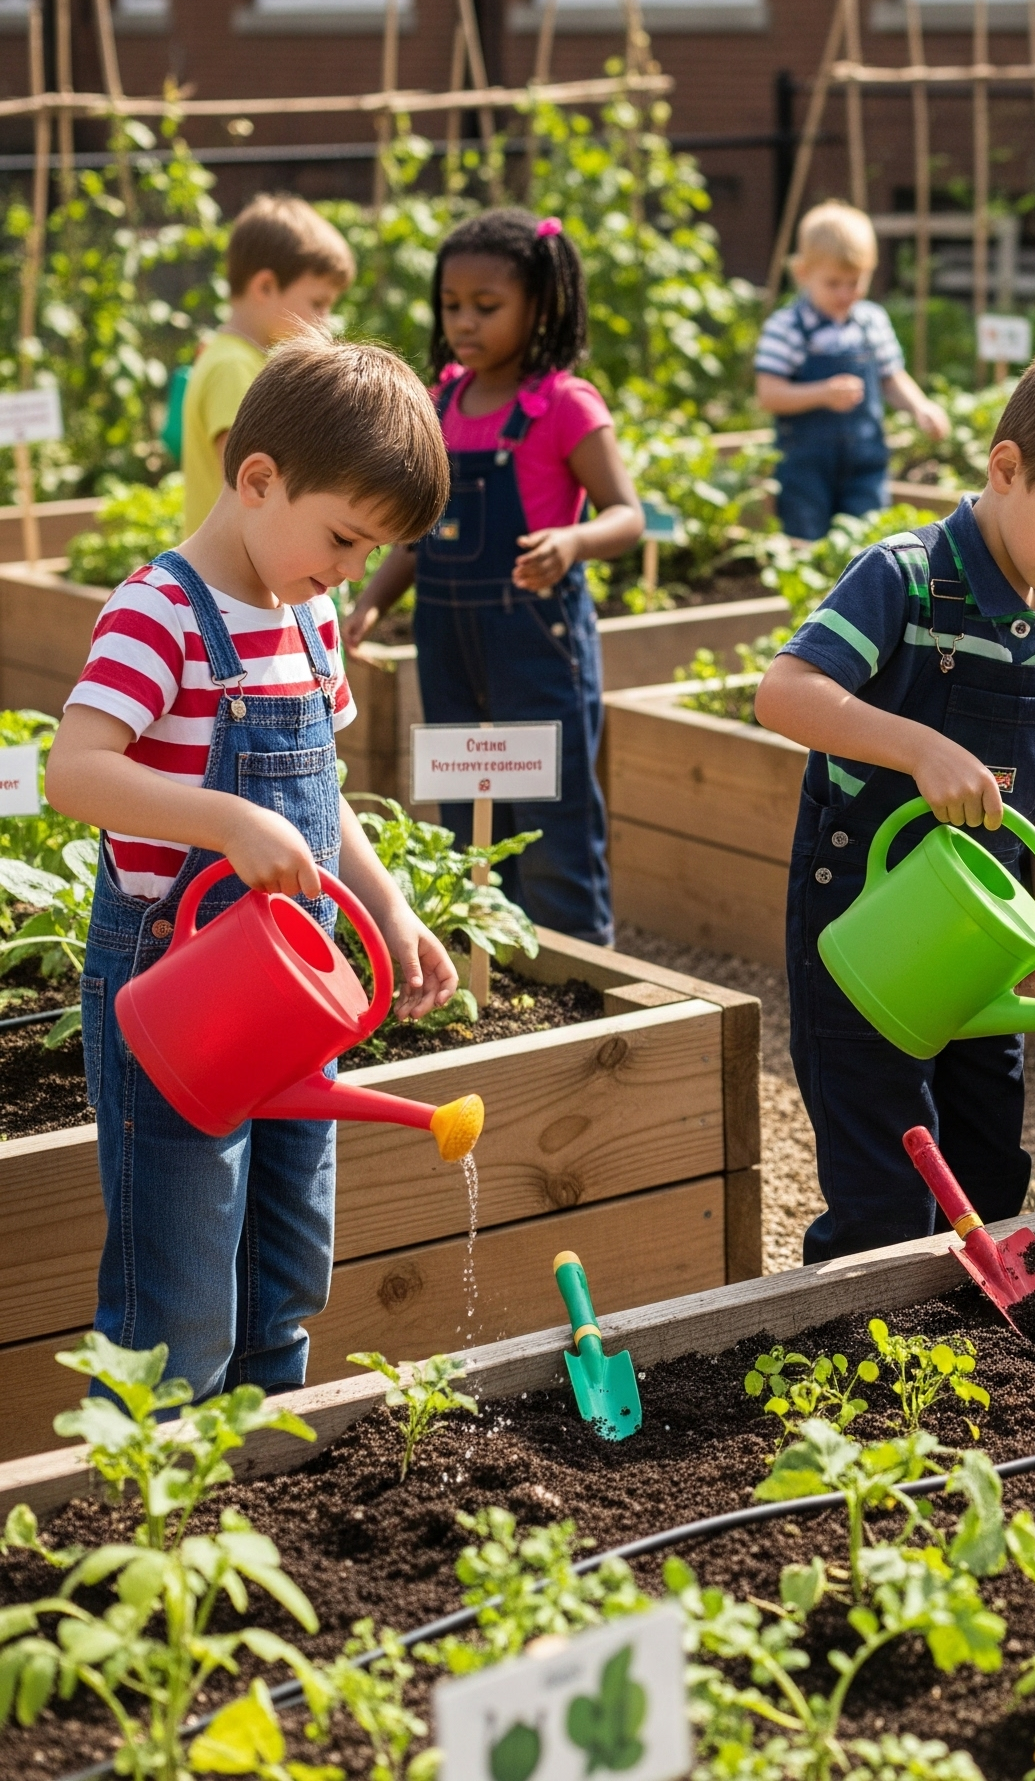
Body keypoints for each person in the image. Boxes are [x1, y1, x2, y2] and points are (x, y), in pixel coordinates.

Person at [43, 338, 458, 1400]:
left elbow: (328, 796)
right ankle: (150, 1509)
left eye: (372, 551)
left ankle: (274, 1476)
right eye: (342, 536)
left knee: (287, 1257)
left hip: (293, 1000)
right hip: (176, 999)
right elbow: (75, 772)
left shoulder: (311, 617)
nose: (351, 569)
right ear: (259, 477)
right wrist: (224, 818)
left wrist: (391, 906)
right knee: (180, 1285)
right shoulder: (159, 612)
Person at [753, 335, 1035, 1263]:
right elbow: (783, 694)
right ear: (1006, 468)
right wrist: (918, 749)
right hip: (867, 919)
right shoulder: (904, 577)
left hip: (987, 939)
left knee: (988, 1157)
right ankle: (853, 1340)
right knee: (882, 1166)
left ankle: (976, 1338)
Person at [343, 210, 642, 946]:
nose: (464, 322)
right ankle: (488, 956)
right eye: (452, 306)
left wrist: (571, 542)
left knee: (552, 805)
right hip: (447, 640)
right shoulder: (435, 405)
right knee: (469, 802)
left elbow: (626, 516)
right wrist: (371, 601)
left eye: (487, 306)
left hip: (535, 639)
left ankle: (579, 958)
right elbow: (417, 537)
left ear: (539, 306)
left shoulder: (564, 405)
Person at [755, 201, 950, 540]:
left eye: (855, 282)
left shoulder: (871, 321)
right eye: (834, 283)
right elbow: (769, 394)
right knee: (805, 540)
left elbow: (890, 378)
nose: (847, 293)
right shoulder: (787, 327)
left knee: (867, 542)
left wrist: (920, 406)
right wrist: (822, 394)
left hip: (865, 461)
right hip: (805, 466)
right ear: (802, 274)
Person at [181, 195, 356, 534]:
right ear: (265, 286)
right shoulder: (233, 368)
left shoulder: (236, 358)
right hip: (225, 575)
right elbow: (250, 487)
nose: (327, 320)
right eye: (318, 303)